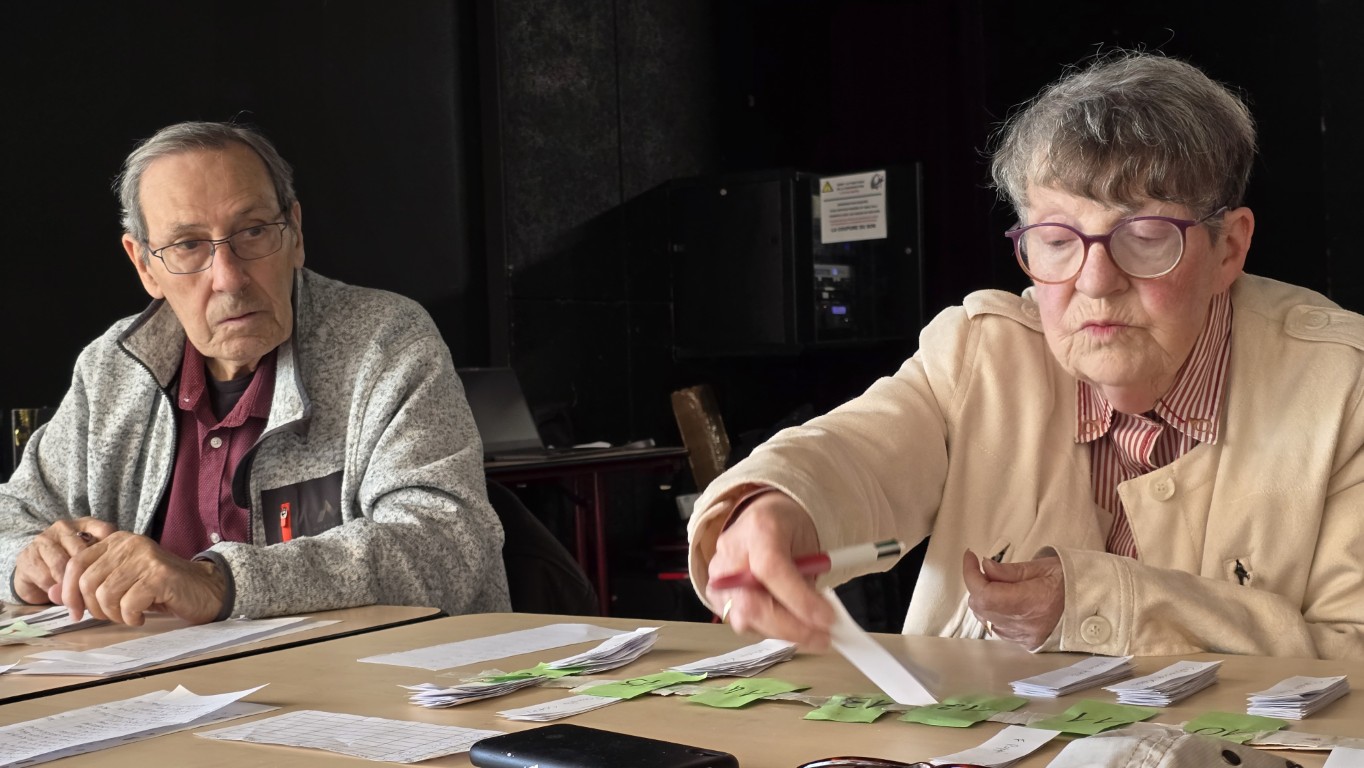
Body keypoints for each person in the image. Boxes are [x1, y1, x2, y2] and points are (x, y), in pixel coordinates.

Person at [688, 52, 1364, 659]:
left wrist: (1096, 601)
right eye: (1057, 240)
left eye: (1145, 235)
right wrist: (777, 506)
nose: (1095, 282)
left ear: (1229, 249)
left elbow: (1352, 656)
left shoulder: (1343, 385)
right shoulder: (982, 352)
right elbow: (859, 452)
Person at [0, 121, 510, 625]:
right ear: (145, 266)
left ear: (295, 234)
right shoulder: (111, 370)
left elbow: (448, 544)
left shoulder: (385, 341)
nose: (228, 277)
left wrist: (220, 582)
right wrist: (25, 563)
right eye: (187, 245)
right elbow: (12, 517)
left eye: (253, 231)